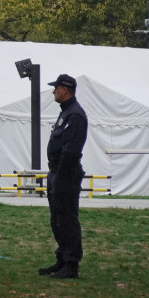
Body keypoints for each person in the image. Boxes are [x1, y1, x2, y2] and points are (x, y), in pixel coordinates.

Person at [38, 73, 88, 280]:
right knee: (57, 220)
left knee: (66, 219)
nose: (53, 91)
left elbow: (72, 149)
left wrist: (60, 175)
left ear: (64, 89)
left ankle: (71, 264)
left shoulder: (74, 115)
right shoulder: (66, 113)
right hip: (57, 172)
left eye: (56, 88)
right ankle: (62, 260)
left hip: (66, 173)